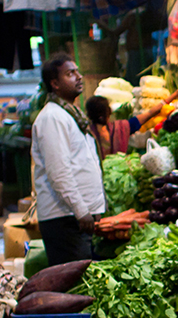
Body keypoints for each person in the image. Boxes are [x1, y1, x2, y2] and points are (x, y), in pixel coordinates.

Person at [31, 55, 106, 266]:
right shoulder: (52, 117)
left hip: (75, 217)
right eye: (70, 73)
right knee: (74, 281)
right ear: (55, 84)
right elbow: (59, 171)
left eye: (77, 71)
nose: (78, 77)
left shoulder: (71, 114)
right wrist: (81, 210)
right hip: (64, 218)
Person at [84, 94, 166, 159]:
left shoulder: (86, 134)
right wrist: (170, 98)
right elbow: (149, 114)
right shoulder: (120, 128)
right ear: (108, 112)